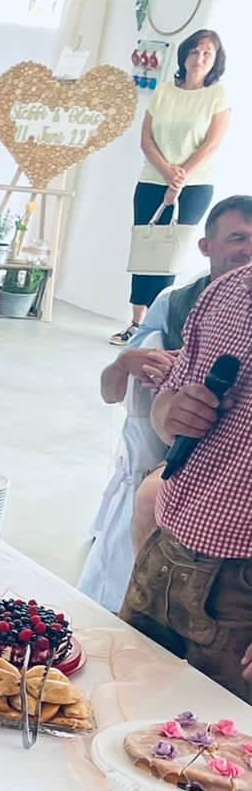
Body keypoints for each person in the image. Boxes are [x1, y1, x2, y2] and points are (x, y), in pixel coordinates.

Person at [81, 196, 252, 614]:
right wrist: (134, 367)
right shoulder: (179, 304)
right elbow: (116, 392)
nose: (248, 250)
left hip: (227, 487)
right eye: (238, 238)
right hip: (180, 458)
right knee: (149, 499)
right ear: (206, 246)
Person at [119, 258, 252, 697]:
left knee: (218, 734)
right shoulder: (228, 291)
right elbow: (166, 406)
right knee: (117, 706)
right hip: (166, 552)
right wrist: (171, 412)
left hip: (243, 595)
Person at [116, 28, 232, 344]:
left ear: (215, 60)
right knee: (145, 248)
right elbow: (146, 139)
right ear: (184, 56)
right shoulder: (165, 91)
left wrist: (180, 178)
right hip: (153, 178)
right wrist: (168, 173)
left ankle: (159, 327)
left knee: (168, 254)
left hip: (195, 185)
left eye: (207, 53)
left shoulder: (217, 95)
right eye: (194, 51)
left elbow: (211, 144)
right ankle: (136, 322)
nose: (200, 58)